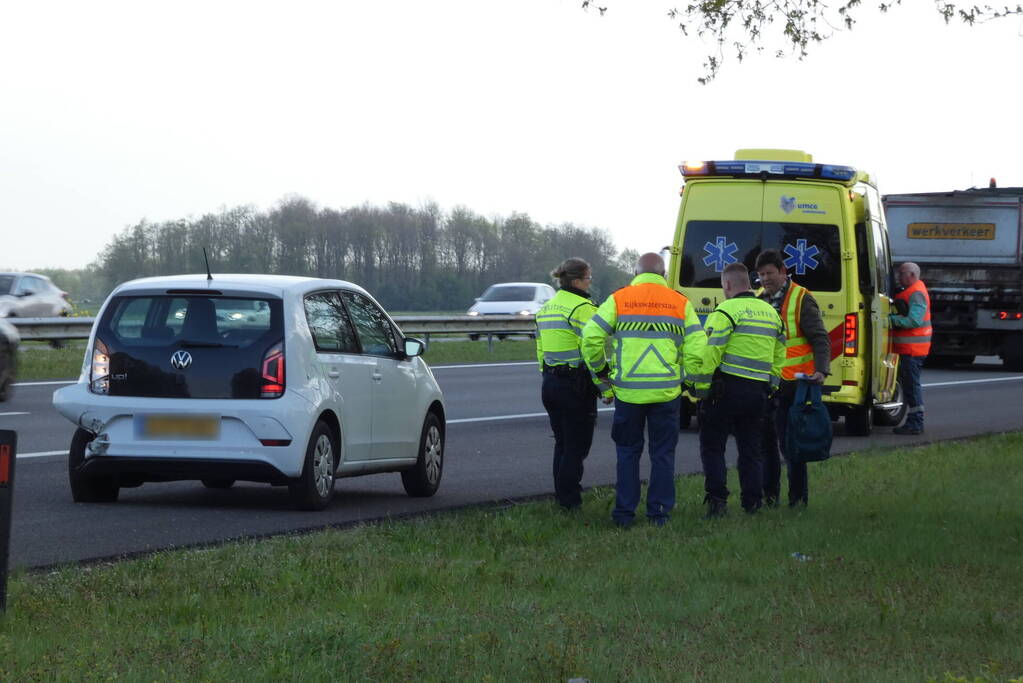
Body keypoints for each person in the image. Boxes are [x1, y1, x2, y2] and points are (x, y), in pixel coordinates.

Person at [581, 252, 706, 527]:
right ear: (663, 276)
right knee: (662, 455)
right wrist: (686, 378)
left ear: (635, 274)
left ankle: (624, 515)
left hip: (628, 393)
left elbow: (590, 338)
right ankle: (659, 514)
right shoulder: (680, 302)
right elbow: (698, 347)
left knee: (627, 453)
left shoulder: (619, 299)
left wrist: (602, 373)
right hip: (666, 394)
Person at [694, 262, 785, 517]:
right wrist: (772, 385)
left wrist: (701, 390)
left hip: (725, 391)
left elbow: (712, 351)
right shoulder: (770, 312)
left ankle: (717, 502)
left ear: (727, 284)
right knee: (751, 449)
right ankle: (752, 504)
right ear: (750, 283)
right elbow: (780, 353)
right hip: (758, 393)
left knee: (713, 447)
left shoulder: (725, 311)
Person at [755, 249, 831, 508]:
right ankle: (769, 497)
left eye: (770, 273)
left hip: (793, 385)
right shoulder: (757, 299)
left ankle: (798, 500)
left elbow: (820, 338)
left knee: (792, 447)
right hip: (766, 384)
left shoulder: (801, 298)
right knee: (765, 445)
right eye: (761, 274)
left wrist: (821, 370)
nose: (766, 279)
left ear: (782, 272)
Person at [535, 258, 612, 511]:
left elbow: (540, 349)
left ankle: (562, 497)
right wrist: (605, 387)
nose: (591, 282)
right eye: (589, 278)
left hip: (550, 382)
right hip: (575, 386)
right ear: (577, 280)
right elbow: (591, 350)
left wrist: (546, 375)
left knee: (562, 443)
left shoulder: (547, 307)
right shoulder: (583, 308)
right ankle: (570, 502)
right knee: (577, 446)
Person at [890, 262, 931, 435]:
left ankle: (916, 423)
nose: (899, 277)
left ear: (912, 275)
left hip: (913, 350)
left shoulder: (916, 293)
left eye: (902, 274)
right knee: (909, 387)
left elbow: (914, 321)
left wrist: (890, 320)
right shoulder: (912, 291)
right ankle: (914, 421)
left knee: (912, 387)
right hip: (910, 349)